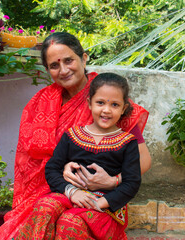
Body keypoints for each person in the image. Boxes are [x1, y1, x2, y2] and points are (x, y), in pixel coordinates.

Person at [0, 32, 150, 240]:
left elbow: (144, 161)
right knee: (40, 214)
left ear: (83, 58)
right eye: (54, 65)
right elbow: (30, 161)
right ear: (47, 70)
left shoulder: (106, 96)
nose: (64, 70)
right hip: (56, 189)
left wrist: (112, 181)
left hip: (102, 194)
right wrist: (65, 169)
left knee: (69, 223)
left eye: (69, 60)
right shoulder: (40, 102)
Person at [44, 73, 141, 238]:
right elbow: (52, 168)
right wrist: (72, 192)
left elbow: (132, 182)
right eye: (100, 103)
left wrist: (100, 203)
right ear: (89, 103)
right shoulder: (72, 135)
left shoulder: (127, 142)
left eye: (115, 105)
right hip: (71, 194)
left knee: (70, 222)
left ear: (124, 108)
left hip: (104, 204)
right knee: (44, 208)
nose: (106, 110)